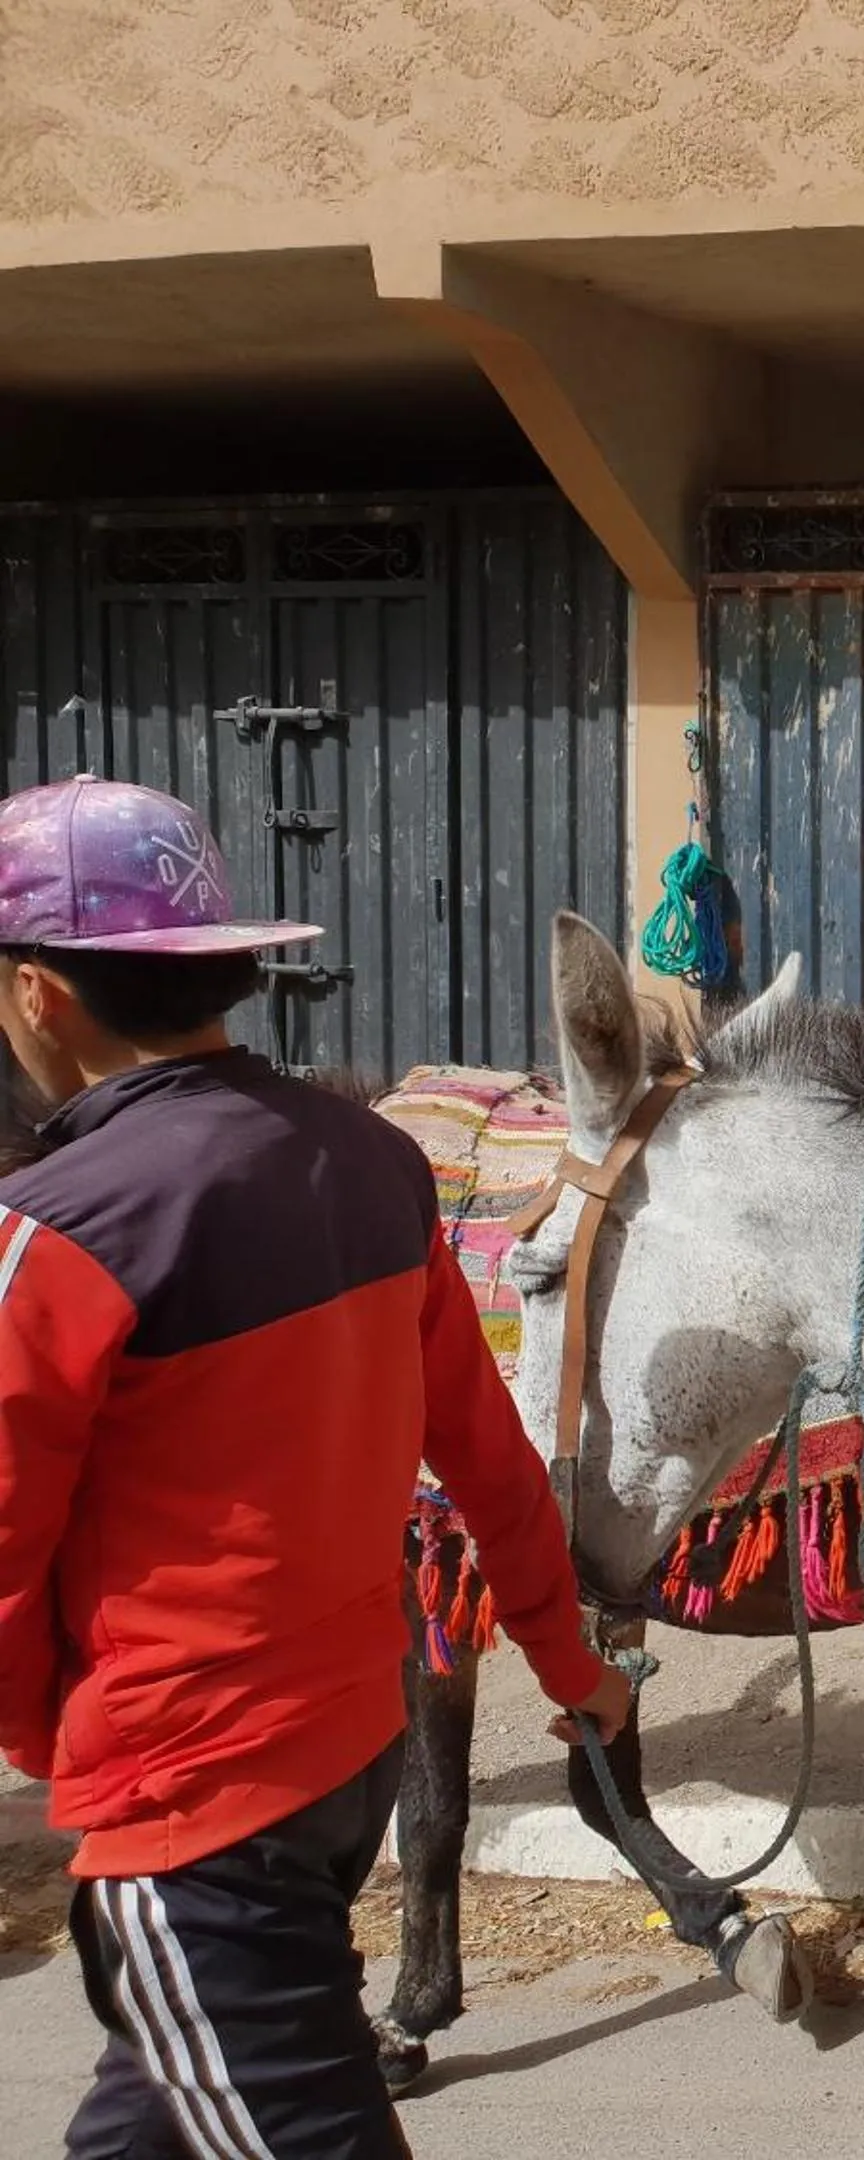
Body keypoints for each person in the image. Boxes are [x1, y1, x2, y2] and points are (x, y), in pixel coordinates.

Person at [0, 775, 631, 2159]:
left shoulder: (56, 1232)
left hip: (194, 1809)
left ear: (40, 994)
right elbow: (491, 1464)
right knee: (151, 2122)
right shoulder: (372, 1161)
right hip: (347, 1761)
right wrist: (576, 1675)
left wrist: (61, 1750)